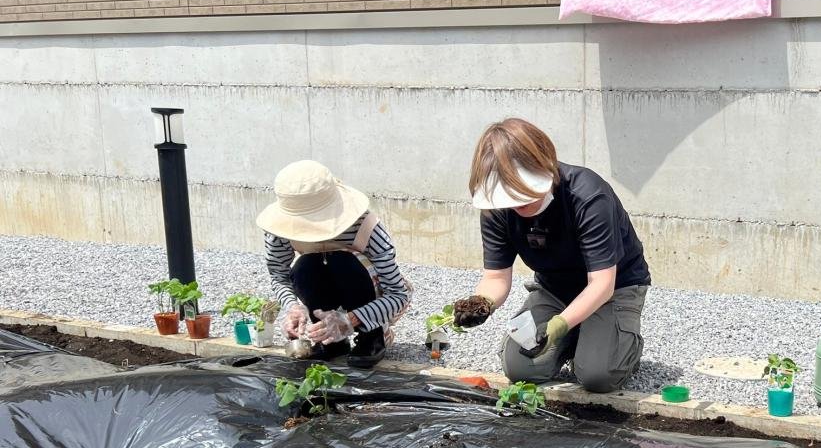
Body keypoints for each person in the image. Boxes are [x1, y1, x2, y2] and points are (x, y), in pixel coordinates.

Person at [450, 118, 651, 393]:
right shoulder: (496, 208)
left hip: (615, 287)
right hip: (554, 289)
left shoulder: (587, 195)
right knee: (519, 368)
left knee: (597, 375)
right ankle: (580, 335)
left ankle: (619, 344)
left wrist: (559, 325)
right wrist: (482, 302)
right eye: (510, 198)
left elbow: (602, 284)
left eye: (523, 195)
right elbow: (496, 276)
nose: (517, 204)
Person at [255, 160, 412, 369]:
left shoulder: (365, 226)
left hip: (368, 291)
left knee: (344, 261)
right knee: (304, 266)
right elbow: (279, 275)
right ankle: (331, 340)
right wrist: (293, 307)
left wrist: (351, 320)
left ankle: (371, 337)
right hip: (324, 286)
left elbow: (398, 294)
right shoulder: (279, 231)